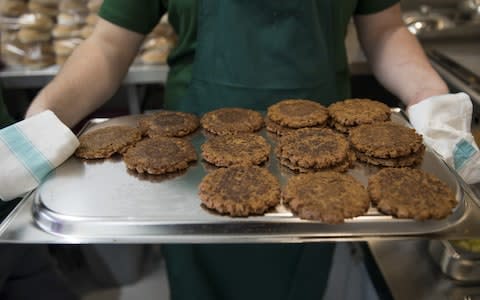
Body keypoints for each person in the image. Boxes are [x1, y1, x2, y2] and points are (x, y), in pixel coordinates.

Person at [23, 1, 454, 299]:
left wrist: (431, 98)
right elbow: (108, 45)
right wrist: (43, 119)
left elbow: (385, 29)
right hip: (188, 162)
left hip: (324, 163)